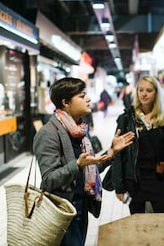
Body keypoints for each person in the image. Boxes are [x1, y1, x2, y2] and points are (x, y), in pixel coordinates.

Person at [33, 77, 135, 246]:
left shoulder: (78, 130)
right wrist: (77, 165)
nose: (88, 99)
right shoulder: (48, 133)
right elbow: (49, 180)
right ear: (65, 102)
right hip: (62, 210)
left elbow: (89, 167)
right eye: (81, 96)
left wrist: (111, 152)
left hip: (81, 205)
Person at [111, 75, 164, 214]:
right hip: (135, 180)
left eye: (149, 90)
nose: (144, 94)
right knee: (137, 224)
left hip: (160, 178)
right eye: (140, 90)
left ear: (156, 93)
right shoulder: (127, 118)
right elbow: (118, 154)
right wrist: (119, 186)